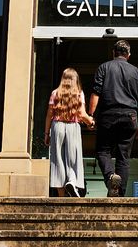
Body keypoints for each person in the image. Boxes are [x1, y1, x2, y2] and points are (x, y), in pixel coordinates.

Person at [89, 39, 138, 197]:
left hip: (108, 114)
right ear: (128, 55)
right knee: (124, 156)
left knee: (103, 150)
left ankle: (110, 177)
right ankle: (119, 193)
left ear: (113, 53)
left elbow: (96, 93)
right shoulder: (136, 72)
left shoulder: (104, 67)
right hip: (130, 116)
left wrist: (91, 116)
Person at [44, 68, 94, 197]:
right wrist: (91, 122)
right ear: (75, 80)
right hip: (73, 126)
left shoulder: (55, 93)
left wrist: (46, 133)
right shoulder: (78, 94)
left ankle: (61, 197)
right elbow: (82, 114)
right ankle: (71, 181)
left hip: (57, 126)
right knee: (73, 158)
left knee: (58, 160)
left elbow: (49, 114)